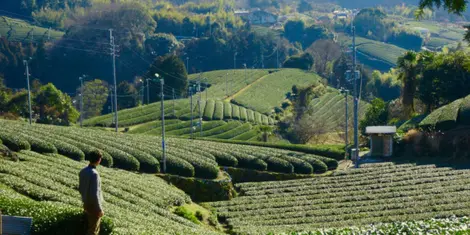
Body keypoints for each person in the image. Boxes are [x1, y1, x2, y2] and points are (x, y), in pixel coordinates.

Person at [79, 150, 104, 235]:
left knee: (86, 228)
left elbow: (81, 189)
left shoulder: (83, 171)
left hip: (85, 204)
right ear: (99, 160)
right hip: (93, 207)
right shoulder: (94, 174)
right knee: (93, 231)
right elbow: (95, 194)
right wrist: (99, 209)